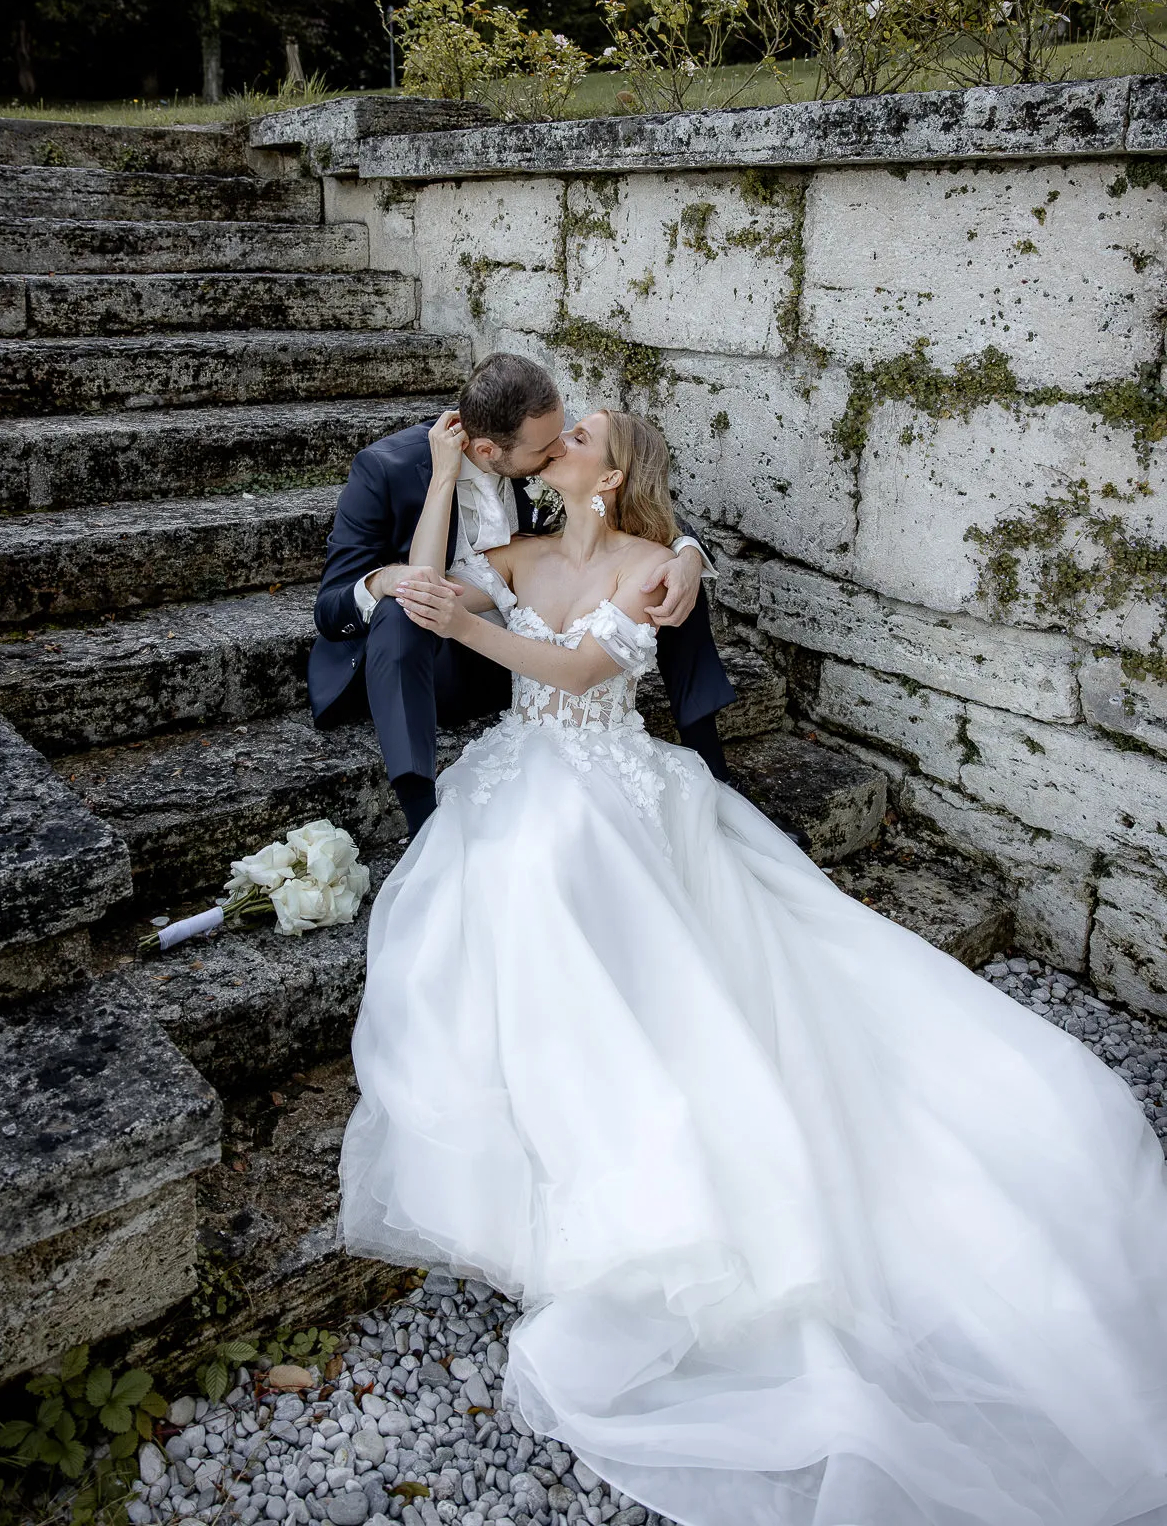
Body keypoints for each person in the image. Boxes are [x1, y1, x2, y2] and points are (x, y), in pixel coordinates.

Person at [337, 405, 1167, 1526]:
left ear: (613, 470)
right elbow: (434, 583)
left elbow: (579, 671)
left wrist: (530, 607)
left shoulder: (649, 568)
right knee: (507, 862)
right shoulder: (518, 550)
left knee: (560, 857)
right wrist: (439, 488)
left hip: (605, 777)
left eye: (578, 431)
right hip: (521, 772)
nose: (559, 437)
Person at [308, 351, 735, 837]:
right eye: (551, 443)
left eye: (569, 434)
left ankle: (714, 772)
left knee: (669, 584)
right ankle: (421, 813)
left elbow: (637, 500)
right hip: (431, 659)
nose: (558, 448)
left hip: (521, 658)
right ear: (490, 451)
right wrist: (425, 512)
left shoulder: (537, 452)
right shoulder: (387, 469)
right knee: (403, 605)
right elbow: (343, 606)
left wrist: (686, 554)